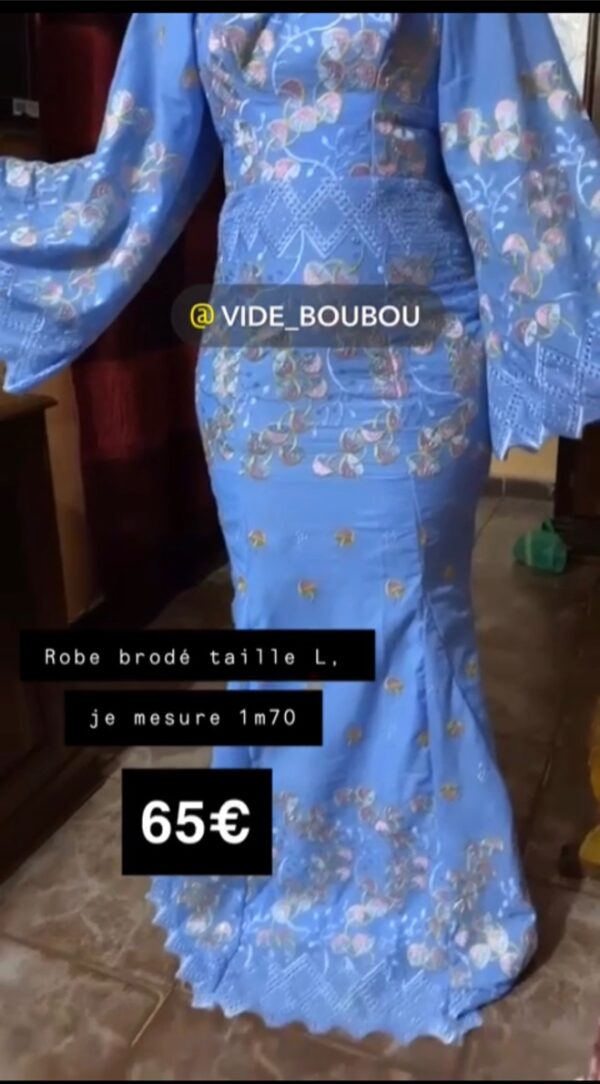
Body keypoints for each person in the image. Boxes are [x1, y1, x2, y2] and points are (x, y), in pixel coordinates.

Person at [2, 11, 600, 1045]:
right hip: (260, 377)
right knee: (276, 631)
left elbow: (521, 148)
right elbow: (132, 176)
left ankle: (432, 907)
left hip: (411, 372)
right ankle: (274, 874)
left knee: (412, 633)